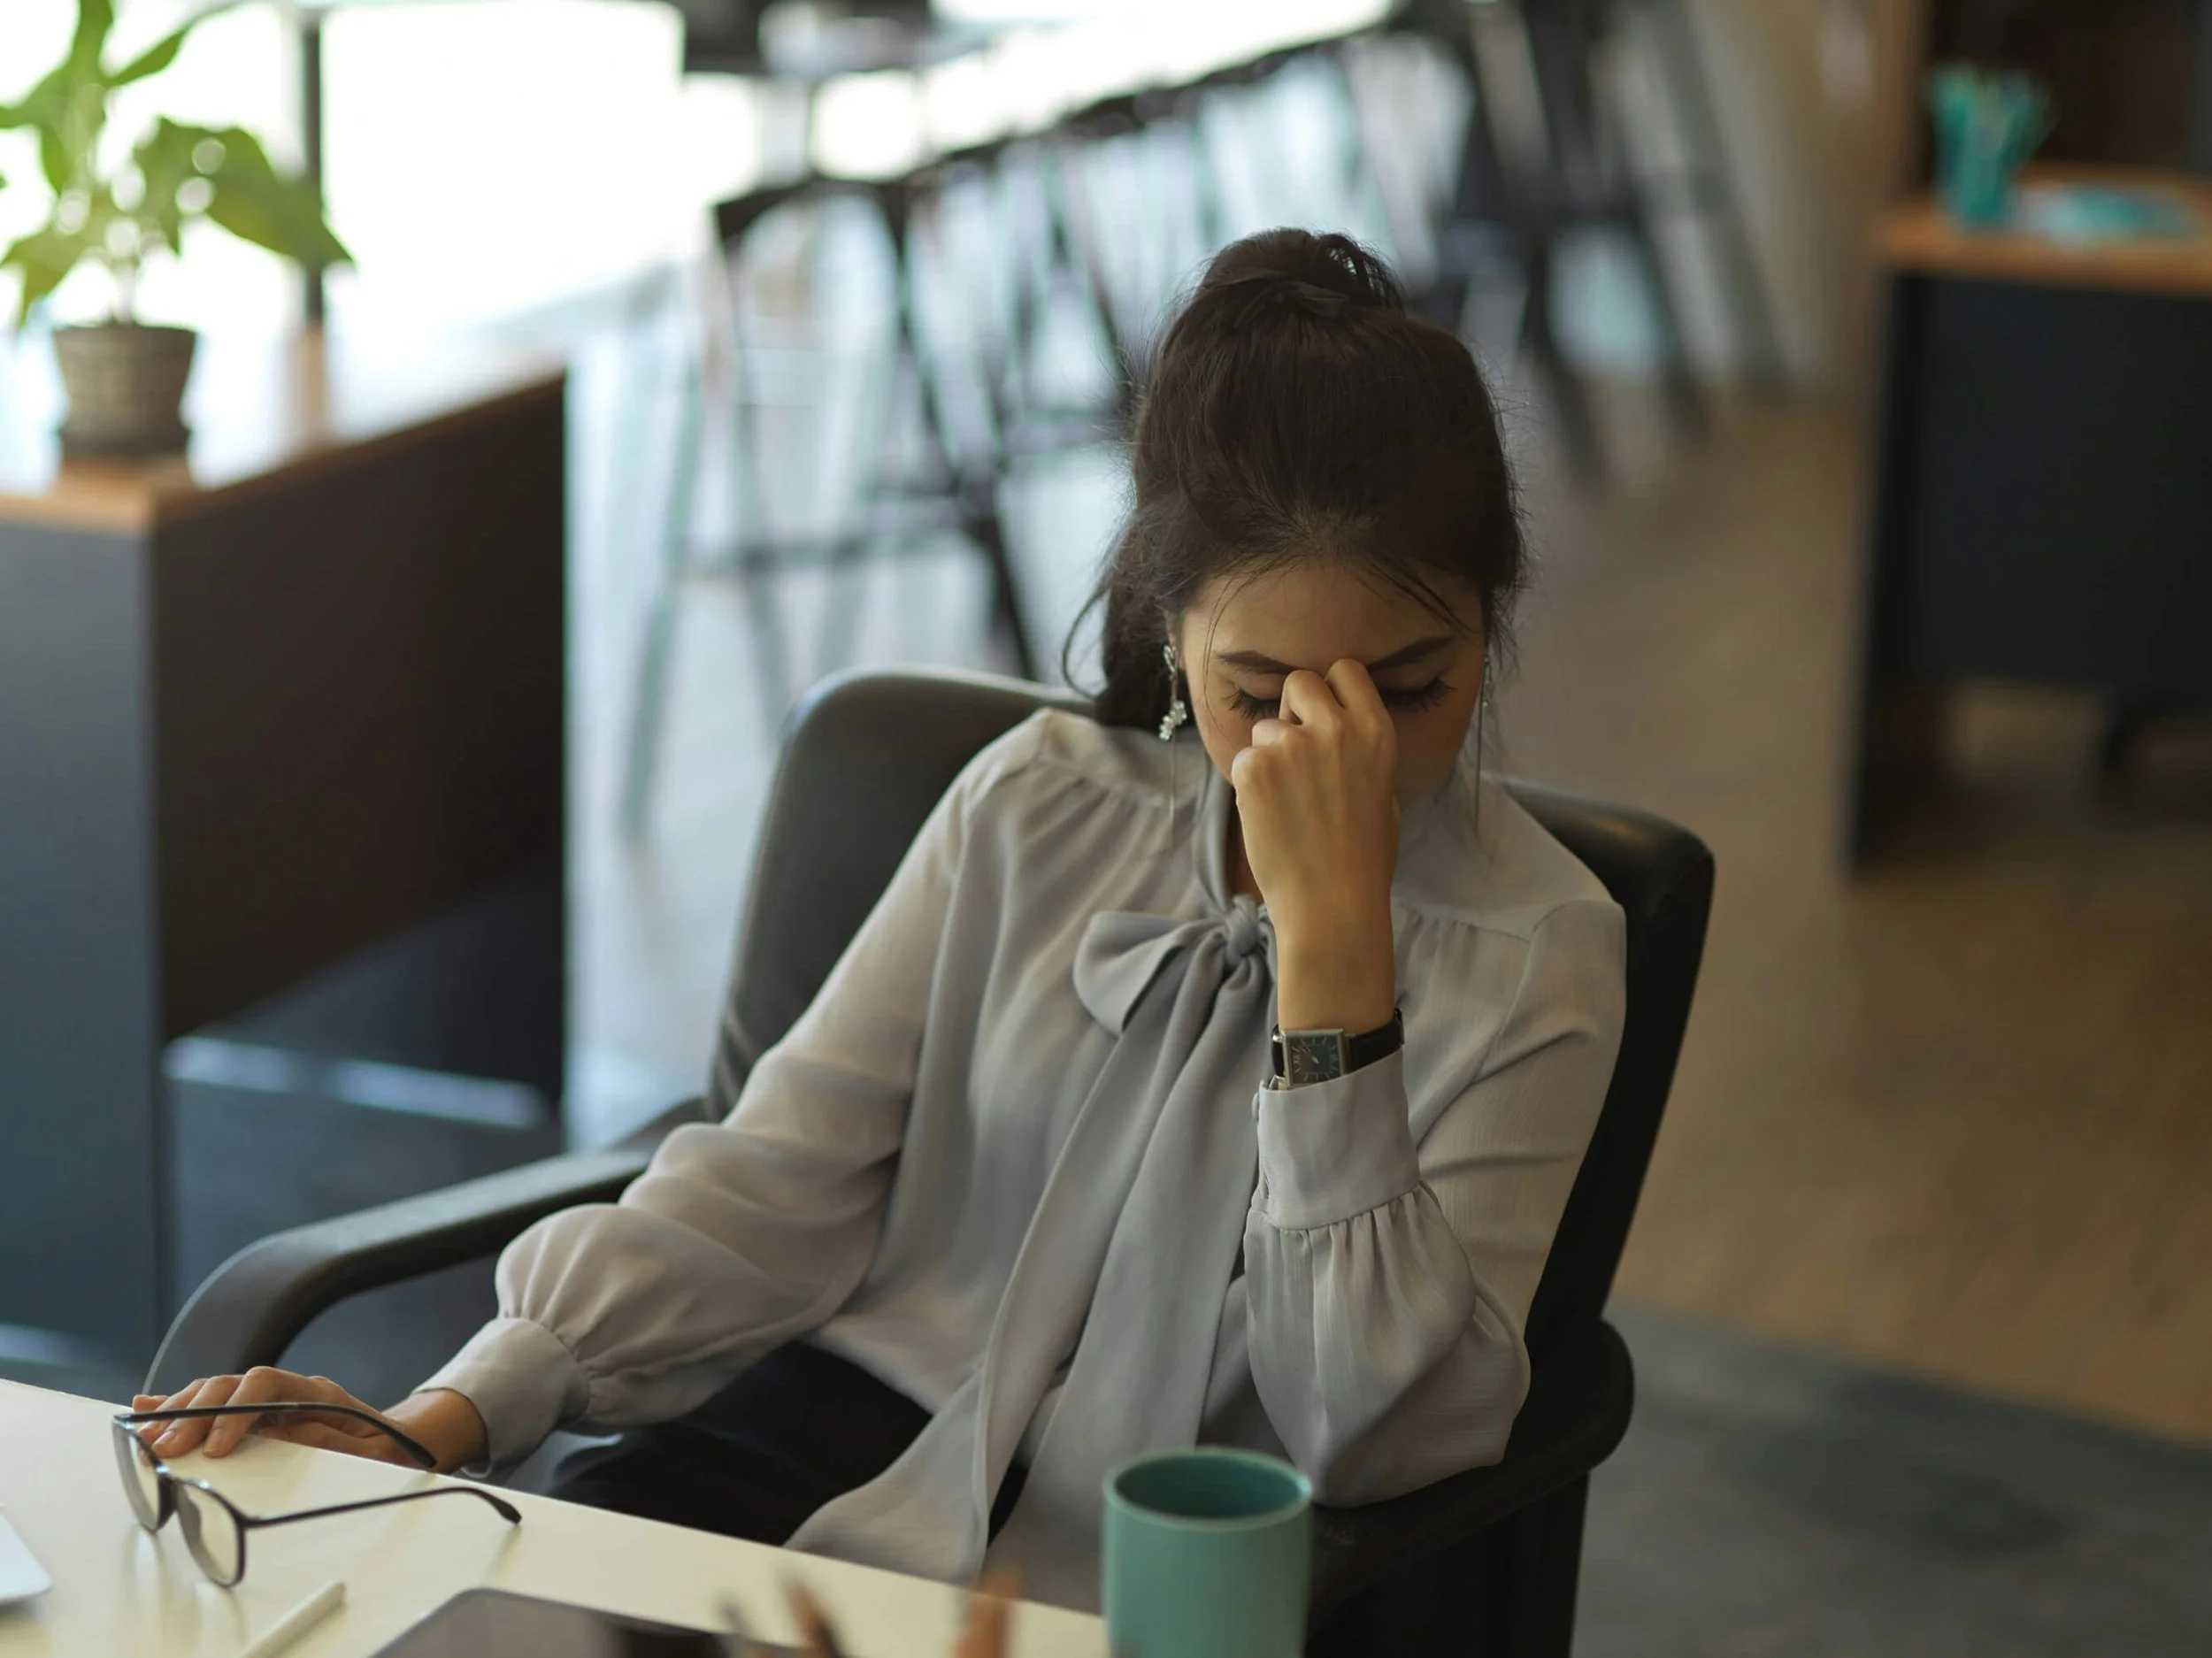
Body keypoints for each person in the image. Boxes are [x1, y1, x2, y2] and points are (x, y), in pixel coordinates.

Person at [140, 230, 1627, 1613]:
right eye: (1258, 692)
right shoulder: (1037, 804)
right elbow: (777, 1170)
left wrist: (1338, 973)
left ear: (1490, 628)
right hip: (809, 1450)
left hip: (1180, 1558)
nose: (1326, 746)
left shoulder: (1540, 950)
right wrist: (446, 1416)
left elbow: (1367, 1433)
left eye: (1409, 685)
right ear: (1168, 632)